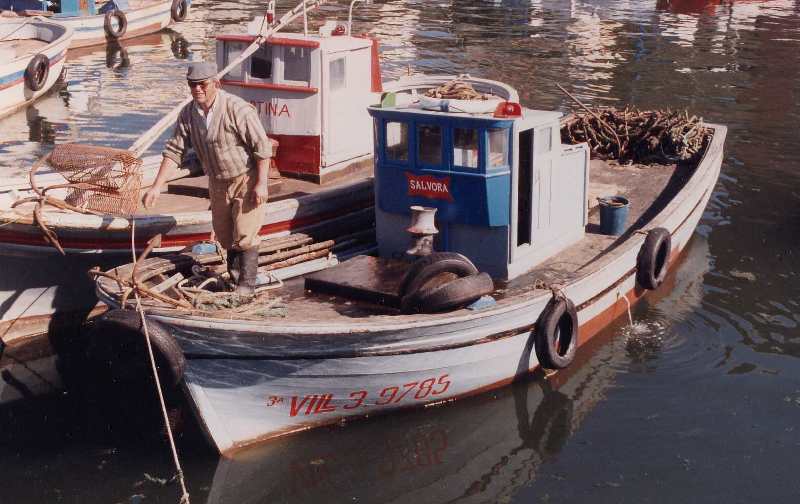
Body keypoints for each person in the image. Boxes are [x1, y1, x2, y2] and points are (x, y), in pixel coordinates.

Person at [142, 61, 274, 295]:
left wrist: (261, 184)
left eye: (202, 84)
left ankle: (246, 286)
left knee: (245, 234)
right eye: (192, 85)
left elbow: (262, 148)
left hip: (246, 177)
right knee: (225, 236)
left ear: (216, 83)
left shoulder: (237, 109)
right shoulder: (188, 114)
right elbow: (174, 151)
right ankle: (234, 279)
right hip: (217, 181)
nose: (197, 90)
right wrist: (156, 187)